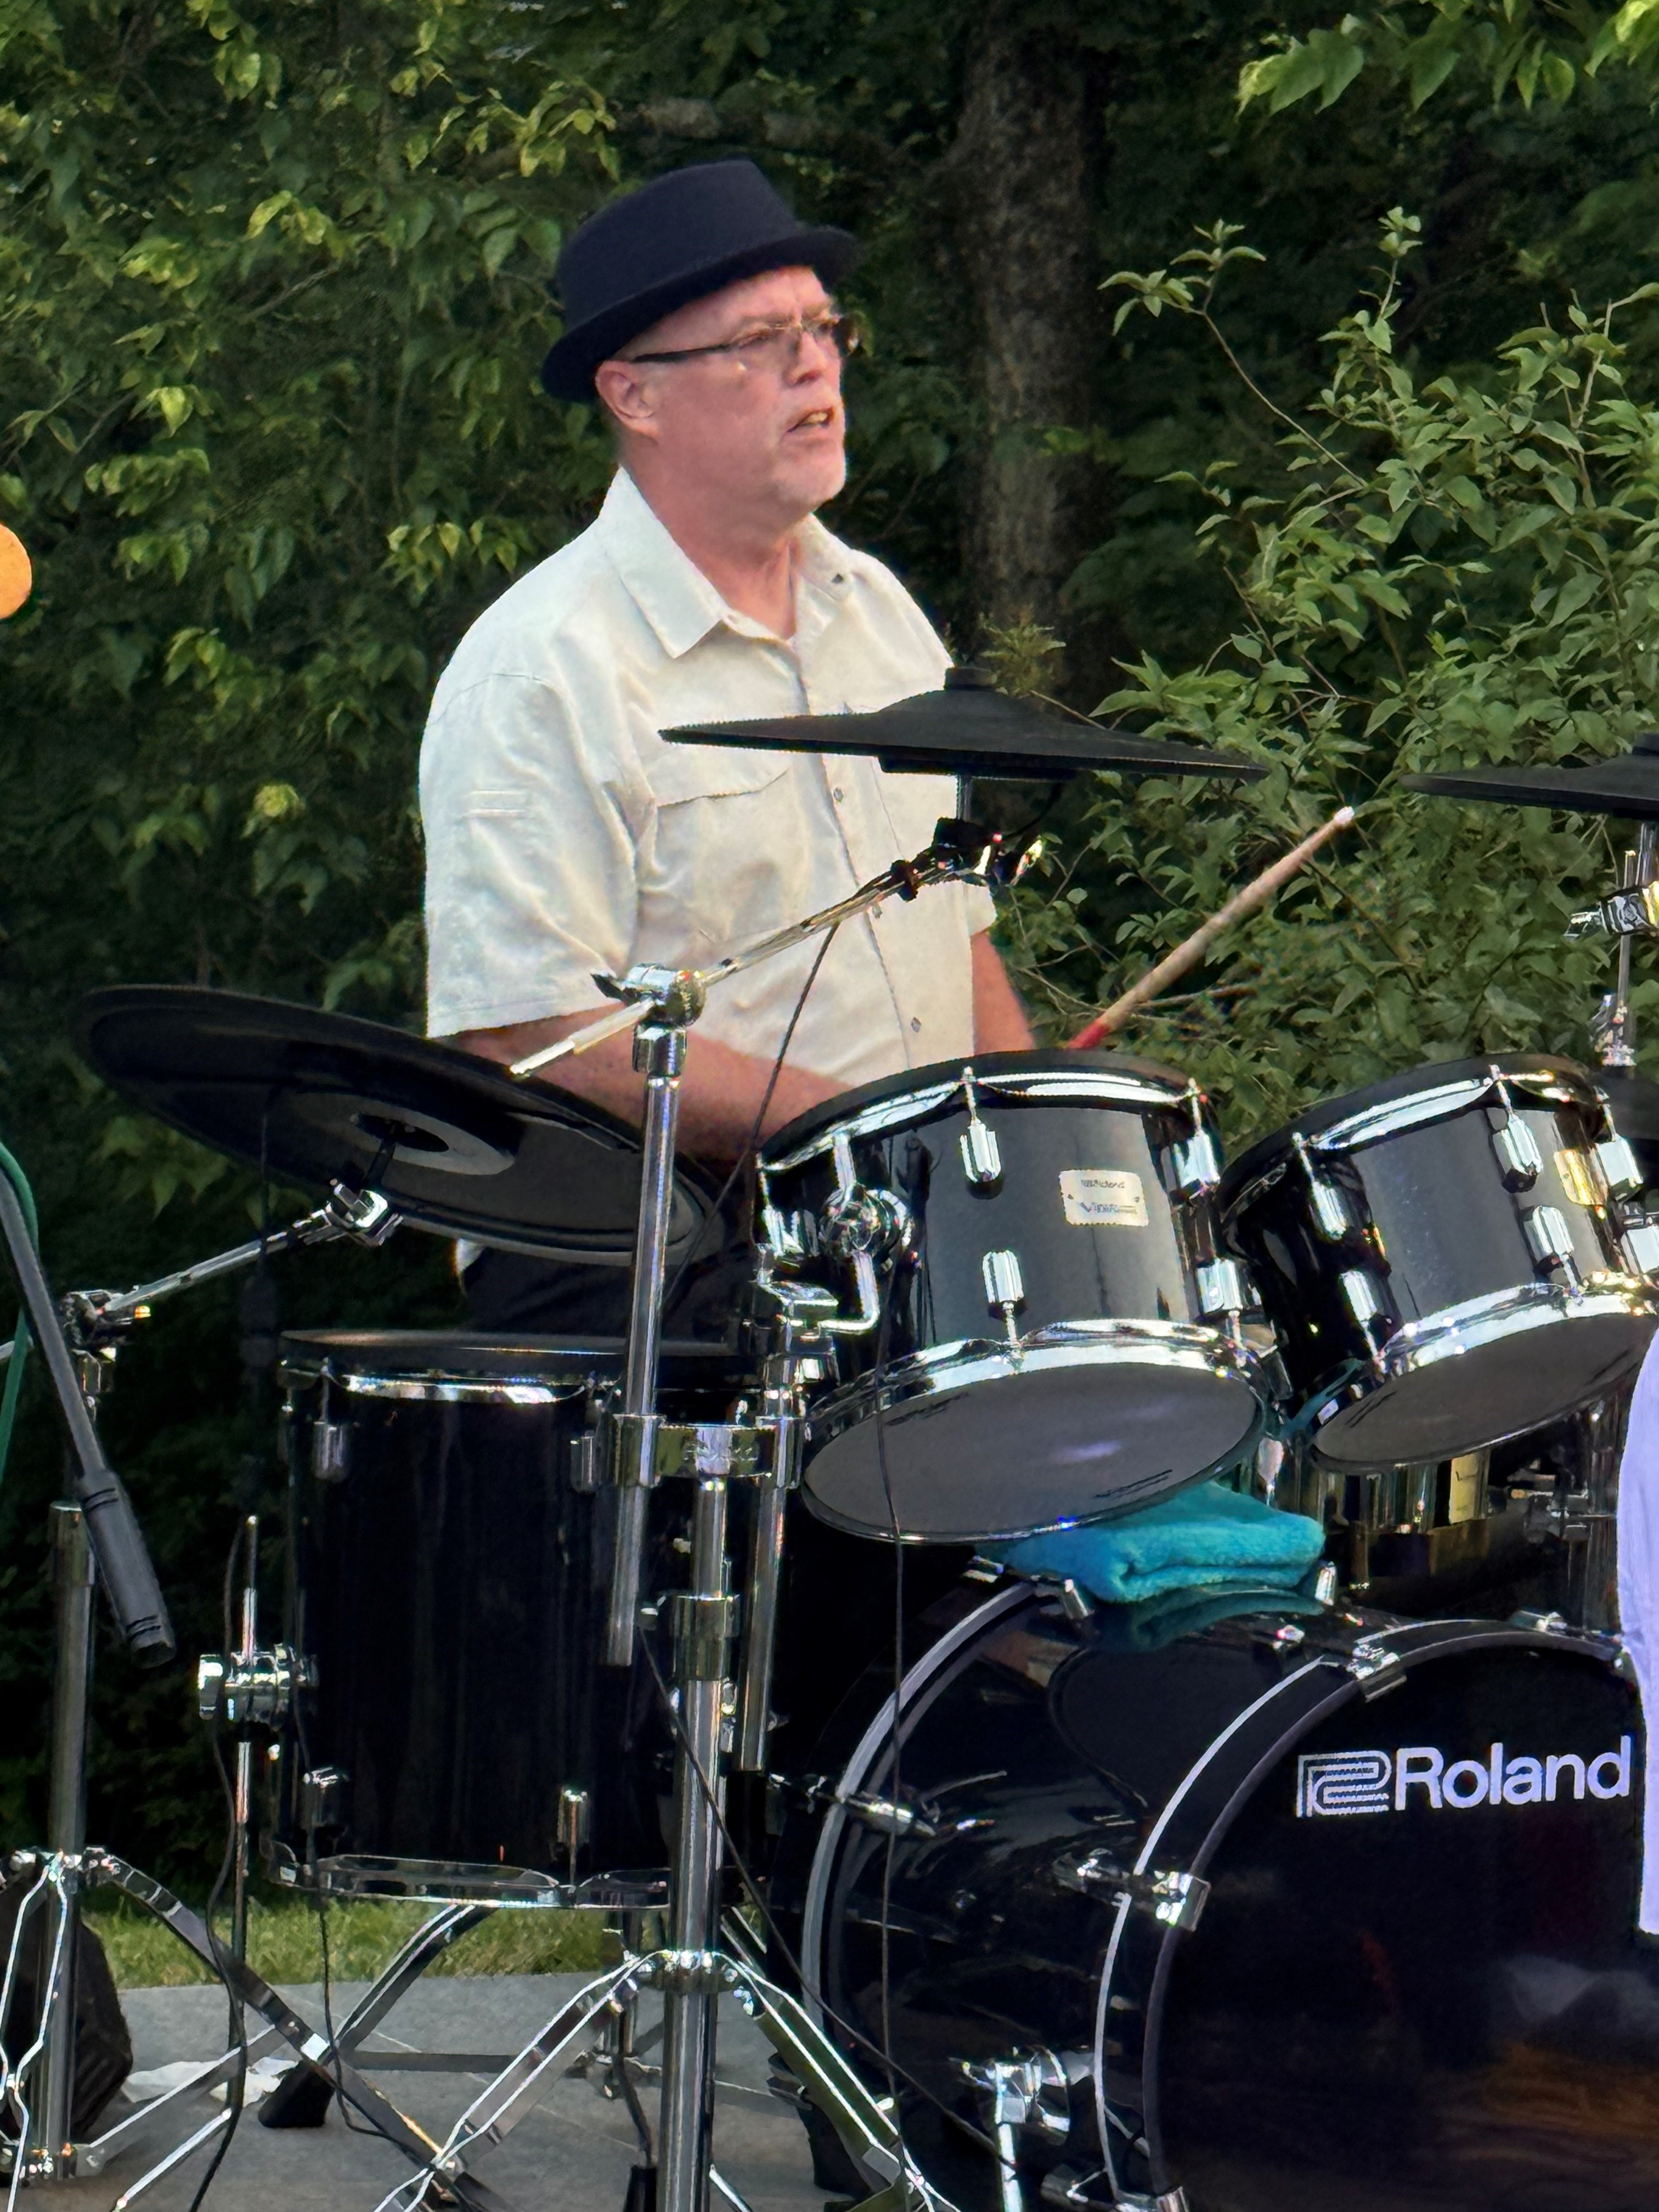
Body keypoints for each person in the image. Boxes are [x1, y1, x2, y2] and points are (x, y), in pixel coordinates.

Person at [420, 159, 1031, 1333]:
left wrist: (1027, 1128)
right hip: (650, 1264)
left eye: (821, 328)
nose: (815, 365)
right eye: (756, 340)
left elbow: (957, 933)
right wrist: (854, 1125)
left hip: (896, 1227)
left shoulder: (881, 612)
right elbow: (533, 1033)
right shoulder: (542, 667)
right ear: (634, 396)